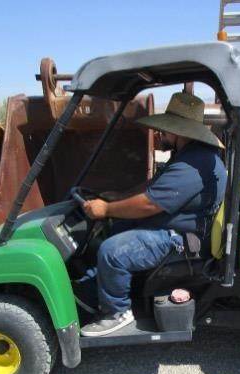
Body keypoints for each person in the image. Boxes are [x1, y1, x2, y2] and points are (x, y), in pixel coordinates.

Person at [80, 92, 227, 336]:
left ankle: (117, 313)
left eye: (166, 129)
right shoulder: (188, 156)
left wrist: (106, 209)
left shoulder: (194, 163)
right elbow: (153, 187)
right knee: (114, 229)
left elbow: (150, 204)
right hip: (173, 228)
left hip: (180, 239)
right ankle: (93, 292)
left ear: (178, 132)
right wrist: (118, 197)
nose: (162, 134)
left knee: (113, 251)